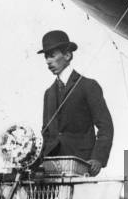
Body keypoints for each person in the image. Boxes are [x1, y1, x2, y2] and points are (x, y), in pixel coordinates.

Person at [39, 30, 113, 176]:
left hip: (82, 166)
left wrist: (97, 159)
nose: (48, 61)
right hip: (52, 170)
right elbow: (46, 133)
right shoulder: (48, 93)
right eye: (46, 57)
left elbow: (106, 127)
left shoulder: (88, 86)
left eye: (52, 55)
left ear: (67, 55)